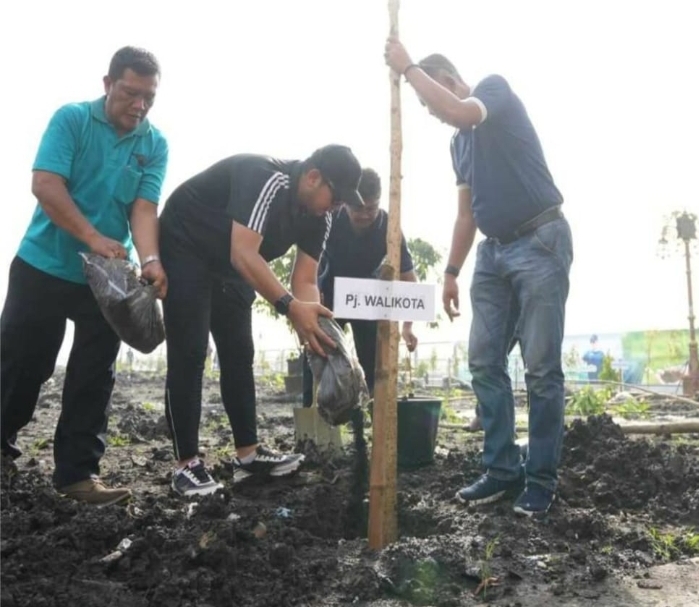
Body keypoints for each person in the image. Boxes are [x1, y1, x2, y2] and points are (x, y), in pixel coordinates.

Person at [385, 40, 573, 516]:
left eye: (431, 104)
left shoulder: (492, 92)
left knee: (541, 368)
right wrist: (450, 271)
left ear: (447, 81)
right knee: (484, 361)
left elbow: (460, 112)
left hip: (540, 240)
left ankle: (541, 479)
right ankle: (503, 467)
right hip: (493, 252)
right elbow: (466, 214)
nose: (435, 115)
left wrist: (407, 68)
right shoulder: (458, 144)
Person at [0, 47, 168, 506]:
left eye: (149, 97)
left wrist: (150, 258)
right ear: (108, 83)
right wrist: (92, 236)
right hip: (43, 266)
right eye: (131, 93)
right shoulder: (71, 120)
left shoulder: (153, 144)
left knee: (94, 373)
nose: (140, 105)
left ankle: (77, 474)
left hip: (107, 281)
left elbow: (143, 208)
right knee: (22, 362)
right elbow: (45, 185)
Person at [158, 145, 364, 497]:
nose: (337, 207)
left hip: (230, 265)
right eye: (336, 197)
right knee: (191, 351)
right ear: (313, 177)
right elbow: (244, 252)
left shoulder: (321, 216)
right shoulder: (268, 180)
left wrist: (318, 331)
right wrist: (289, 306)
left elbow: (306, 281)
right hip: (186, 243)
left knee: (239, 351)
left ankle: (248, 455)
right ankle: (186, 464)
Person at [300, 167, 419, 429]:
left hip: (368, 303)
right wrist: (307, 309)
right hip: (329, 301)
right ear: (347, 203)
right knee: (317, 356)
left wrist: (408, 326)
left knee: (371, 365)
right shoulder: (331, 219)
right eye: (358, 208)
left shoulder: (390, 227)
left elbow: (410, 281)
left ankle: (364, 423)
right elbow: (308, 268)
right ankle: (314, 420)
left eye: (372, 208)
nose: (365, 215)